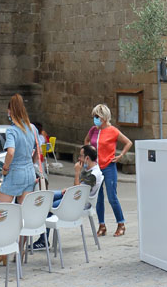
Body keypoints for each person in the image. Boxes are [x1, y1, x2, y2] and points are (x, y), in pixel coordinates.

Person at [0, 94, 43, 266]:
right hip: (29, 172)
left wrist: (5, 168)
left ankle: (1, 253)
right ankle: (19, 251)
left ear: (10, 111)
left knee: (0, 213)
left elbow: (10, 152)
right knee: (23, 214)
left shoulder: (12, 130)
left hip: (15, 173)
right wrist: (32, 163)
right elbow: (38, 150)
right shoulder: (32, 128)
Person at [32, 145, 104, 249]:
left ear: (87, 158)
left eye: (81, 156)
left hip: (78, 203)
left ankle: (43, 240)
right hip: (76, 198)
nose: (79, 158)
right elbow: (77, 188)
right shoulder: (90, 169)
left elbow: (78, 192)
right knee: (50, 195)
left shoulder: (93, 174)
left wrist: (77, 172)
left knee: (48, 206)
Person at [93, 103, 133, 237]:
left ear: (104, 117)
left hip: (109, 167)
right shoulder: (93, 130)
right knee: (98, 198)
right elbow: (87, 141)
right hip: (96, 168)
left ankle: (121, 224)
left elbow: (128, 142)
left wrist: (121, 155)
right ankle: (101, 225)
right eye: (94, 116)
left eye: (97, 116)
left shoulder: (113, 131)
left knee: (112, 197)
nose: (95, 118)